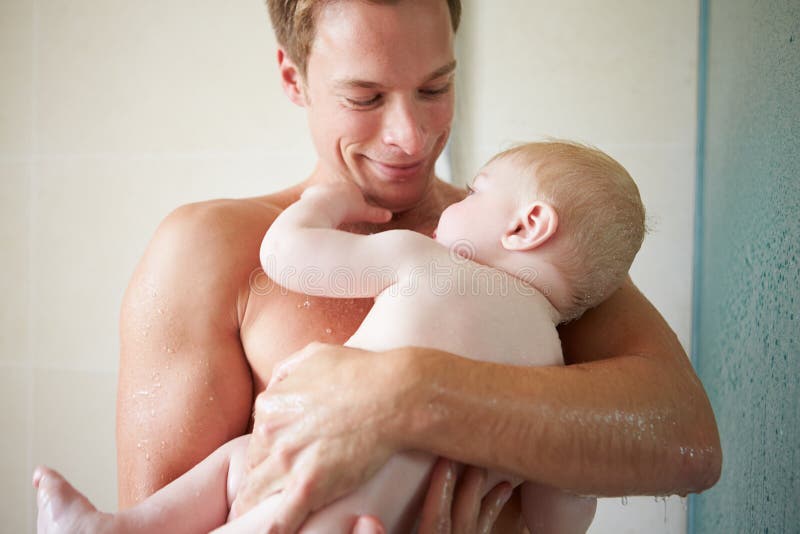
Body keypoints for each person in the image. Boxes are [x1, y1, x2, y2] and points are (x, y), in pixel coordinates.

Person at [109, 0, 720, 532]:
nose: (410, 135)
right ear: (294, 78)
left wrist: (401, 393)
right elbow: (154, 518)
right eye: (365, 96)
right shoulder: (207, 249)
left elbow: (685, 441)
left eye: (435, 88)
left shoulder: (538, 251)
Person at [33, 140, 644, 534]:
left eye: (477, 190)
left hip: (298, 484)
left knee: (235, 465)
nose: (455, 201)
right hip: (389, 522)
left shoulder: (429, 262)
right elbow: (558, 516)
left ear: (527, 224)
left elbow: (286, 255)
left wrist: (319, 204)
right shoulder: (555, 369)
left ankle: (120, 531)